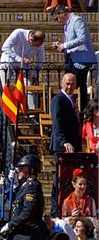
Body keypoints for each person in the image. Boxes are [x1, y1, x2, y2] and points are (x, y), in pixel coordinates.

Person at [51, 5, 97, 111]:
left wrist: (65, 46)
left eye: (57, 18)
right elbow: (72, 42)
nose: (57, 21)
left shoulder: (77, 20)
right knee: (71, 86)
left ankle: (83, 111)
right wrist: (61, 46)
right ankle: (73, 108)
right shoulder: (66, 25)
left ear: (62, 13)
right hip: (72, 58)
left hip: (81, 59)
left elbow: (82, 38)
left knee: (79, 86)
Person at [50, 73, 83, 216]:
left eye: (72, 84)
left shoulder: (72, 99)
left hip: (74, 146)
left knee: (71, 179)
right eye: (67, 84)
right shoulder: (58, 99)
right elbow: (57, 123)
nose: (69, 87)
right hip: (62, 146)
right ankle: (56, 212)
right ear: (62, 84)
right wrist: (64, 142)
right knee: (59, 180)